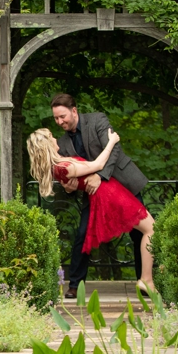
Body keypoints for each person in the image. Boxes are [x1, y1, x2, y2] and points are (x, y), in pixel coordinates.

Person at [26, 127, 156, 293]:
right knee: (151, 230)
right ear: (46, 145)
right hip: (110, 195)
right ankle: (146, 279)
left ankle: (147, 279)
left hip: (111, 191)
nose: (55, 139)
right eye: (51, 137)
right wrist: (111, 142)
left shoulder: (61, 163)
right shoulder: (63, 167)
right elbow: (98, 164)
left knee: (150, 229)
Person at [48, 94, 148, 296]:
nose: (60, 122)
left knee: (140, 232)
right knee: (83, 234)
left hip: (123, 183)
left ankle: (144, 282)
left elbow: (114, 148)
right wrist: (70, 187)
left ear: (74, 110)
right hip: (95, 195)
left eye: (62, 116)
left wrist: (100, 176)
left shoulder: (97, 120)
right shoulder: (62, 143)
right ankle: (75, 285)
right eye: (56, 118)